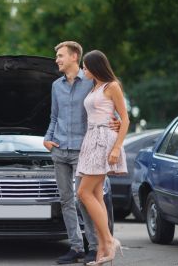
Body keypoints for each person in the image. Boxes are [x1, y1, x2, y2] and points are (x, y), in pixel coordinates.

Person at [44, 41, 119, 265]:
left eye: (60, 56)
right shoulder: (56, 85)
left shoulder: (91, 82)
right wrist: (48, 138)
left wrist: (114, 124)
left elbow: (107, 108)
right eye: (57, 56)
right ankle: (75, 247)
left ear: (74, 56)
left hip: (84, 150)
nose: (57, 60)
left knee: (83, 199)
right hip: (59, 149)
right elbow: (54, 117)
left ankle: (95, 246)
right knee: (66, 200)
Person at [76, 50, 129, 265]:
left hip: (104, 140)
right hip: (90, 139)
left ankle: (109, 240)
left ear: (96, 67)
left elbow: (124, 119)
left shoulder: (112, 86)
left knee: (83, 192)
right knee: (96, 196)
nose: (83, 70)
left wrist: (116, 148)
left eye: (86, 66)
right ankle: (103, 252)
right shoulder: (94, 87)